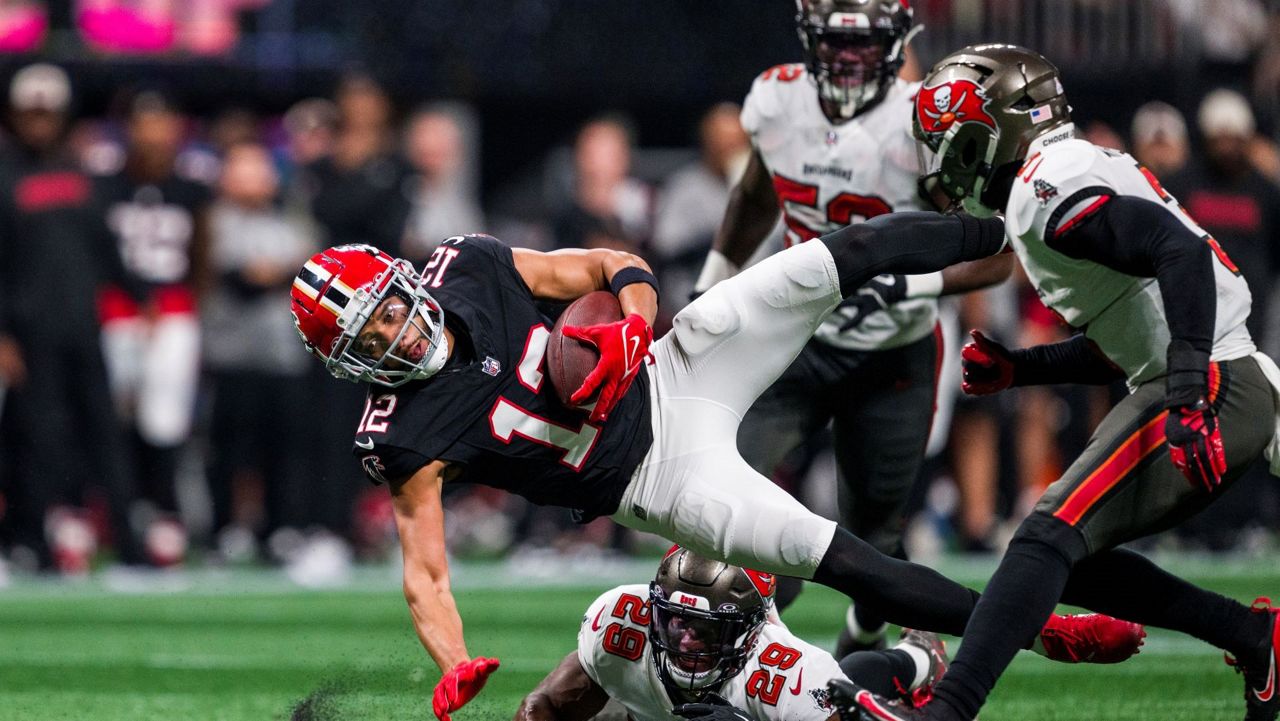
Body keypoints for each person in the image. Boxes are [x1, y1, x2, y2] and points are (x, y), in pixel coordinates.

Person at [290, 215, 1143, 720]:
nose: (395, 337)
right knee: (849, 562)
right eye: (369, 341)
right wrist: (453, 660)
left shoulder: (467, 266)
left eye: (390, 313)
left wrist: (633, 319)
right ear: (349, 363)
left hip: (672, 367)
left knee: (829, 259)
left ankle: (1022, 226)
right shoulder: (398, 432)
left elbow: (607, 264)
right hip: (653, 479)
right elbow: (426, 572)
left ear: (407, 284)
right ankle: (1041, 627)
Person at [829, 44, 1280, 721]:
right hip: (1209, 371)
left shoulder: (1047, 188)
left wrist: (1188, 392)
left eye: (950, 140)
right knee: (1074, 554)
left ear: (991, 133)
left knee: (1045, 537)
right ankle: (1253, 636)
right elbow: (1134, 329)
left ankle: (947, 710)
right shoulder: (1065, 170)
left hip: (1216, 381)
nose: (943, 158)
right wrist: (1022, 367)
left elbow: (1179, 252)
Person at [691, 0, 1011, 651]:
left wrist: (908, 280)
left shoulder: (928, 121)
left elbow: (998, 253)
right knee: (725, 479)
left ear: (894, 44)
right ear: (810, 39)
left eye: (864, 42)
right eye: (835, 43)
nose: (847, 58)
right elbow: (756, 193)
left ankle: (863, 636)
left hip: (892, 353)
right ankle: (753, 606)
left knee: (873, 535)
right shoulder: (777, 101)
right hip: (795, 341)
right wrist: (712, 278)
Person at [515, 546, 951, 721]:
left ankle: (918, 657)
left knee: (844, 682)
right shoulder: (621, 625)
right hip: (643, 709)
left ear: (749, 630)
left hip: (782, 700)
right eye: (676, 621)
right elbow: (544, 705)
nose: (685, 640)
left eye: (706, 629)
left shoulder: (788, 674)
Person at [0, 63, 142, 571]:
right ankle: (30, 546)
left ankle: (130, 547)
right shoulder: (4, 173)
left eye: (48, 112)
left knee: (106, 436)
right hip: (28, 333)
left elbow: (106, 251)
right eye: (31, 112)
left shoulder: (85, 174)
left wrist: (137, 302)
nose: (39, 121)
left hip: (85, 326)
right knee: (35, 442)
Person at [95, 89, 212, 565]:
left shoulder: (191, 188)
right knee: (112, 418)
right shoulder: (104, 185)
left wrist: (179, 305)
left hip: (171, 314)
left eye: (160, 123)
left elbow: (203, 255)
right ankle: (121, 515)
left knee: (164, 419)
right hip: (114, 312)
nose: (151, 134)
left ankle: (163, 513)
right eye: (142, 124)